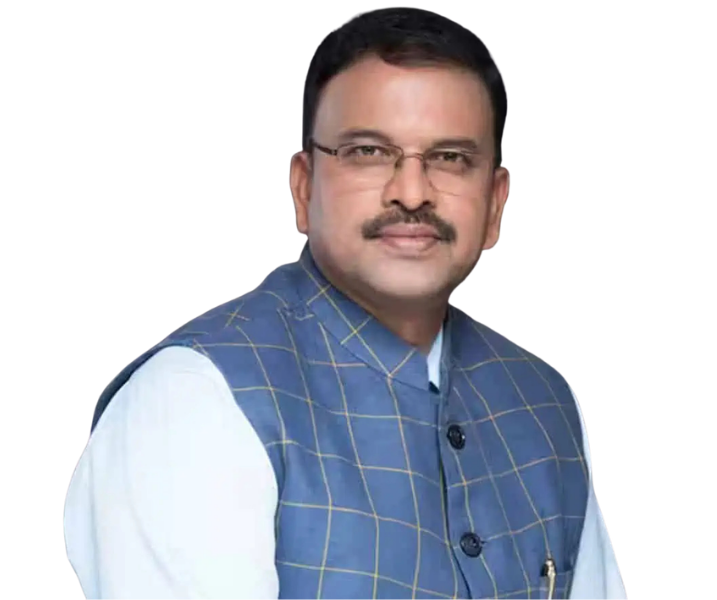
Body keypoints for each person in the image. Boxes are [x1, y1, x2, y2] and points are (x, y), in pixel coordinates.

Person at [63, 7, 627, 599]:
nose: (412, 192)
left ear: (495, 204)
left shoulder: (544, 402)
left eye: (451, 159)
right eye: (368, 152)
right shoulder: (195, 398)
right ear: (303, 188)